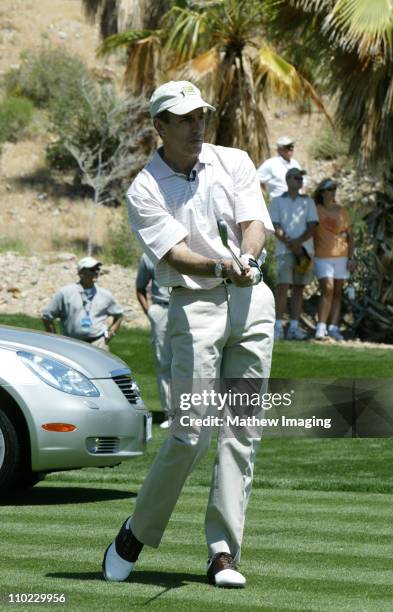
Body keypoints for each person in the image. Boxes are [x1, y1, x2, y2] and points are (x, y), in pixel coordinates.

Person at [102, 80, 275, 589]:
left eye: (201, 115)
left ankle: (222, 552)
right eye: (185, 119)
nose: (198, 125)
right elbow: (174, 253)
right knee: (191, 430)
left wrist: (247, 258)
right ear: (160, 127)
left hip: (251, 303)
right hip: (194, 305)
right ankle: (136, 531)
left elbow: (254, 223)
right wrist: (223, 267)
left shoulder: (235, 160)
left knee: (241, 430)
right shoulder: (145, 188)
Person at [270, 167, 318, 340]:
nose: (300, 181)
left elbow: (313, 225)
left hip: (304, 251)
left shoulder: (308, 202)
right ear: (288, 179)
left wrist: (298, 243)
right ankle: (278, 327)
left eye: (301, 179)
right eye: (297, 178)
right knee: (282, 287)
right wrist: (291, 243)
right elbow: (275, 226)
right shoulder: (277, 201)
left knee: (299, 288)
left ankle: (294, 327)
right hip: (284, 251)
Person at [42, 257, 123, 350]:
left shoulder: (106, 295)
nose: (96, 272)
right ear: (81, 273)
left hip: (98, 343)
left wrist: (111, 333)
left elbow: (119, 315)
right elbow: (47, 316)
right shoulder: (65, 293)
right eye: (92, 270)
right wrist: (54, 340)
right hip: (71, 345)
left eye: (97, 269)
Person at [313, 178, 354, 341]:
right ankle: (321, 326)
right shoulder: (315, 209)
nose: (333, 192)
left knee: (337, 292)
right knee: (327, 289)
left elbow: (350, 236)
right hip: (322, 256)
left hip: (342, 256)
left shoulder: (342, 210)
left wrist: (351, 257)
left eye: (334, 189)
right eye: (330, 189)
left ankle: (333, 327)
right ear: (322, 192)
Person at [136, 253, 172, 428]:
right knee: (164, 362)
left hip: (187, 308)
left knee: (192, 360)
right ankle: (170, 414)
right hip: (161, 309)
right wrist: (150, 312)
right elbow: (140, 287)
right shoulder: (148, 255)